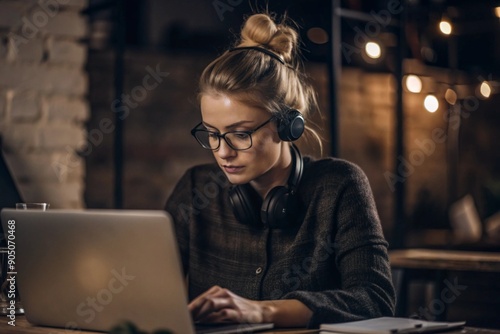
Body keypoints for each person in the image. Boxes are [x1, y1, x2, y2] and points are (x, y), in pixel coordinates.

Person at [165, 12, 395, 329]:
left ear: (287, 125)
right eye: (212, 133)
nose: (223, 151)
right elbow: (150, 290)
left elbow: (374, 299)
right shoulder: (194, 188)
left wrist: (264, 311)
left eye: (240, 134)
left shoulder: (339, 185)